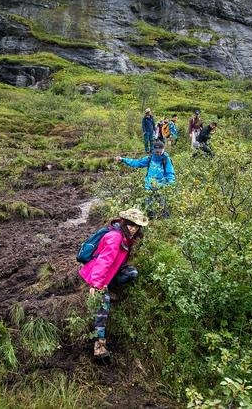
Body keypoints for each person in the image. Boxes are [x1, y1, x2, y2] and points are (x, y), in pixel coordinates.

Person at [79, 208, 149, 358]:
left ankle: (110, 288)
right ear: (124, 222)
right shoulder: (115, 237)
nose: (133, 228)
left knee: (132, 273)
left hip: (110, 273)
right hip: (96, 274)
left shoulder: (126, 237)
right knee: (104, 303)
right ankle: (99, 343)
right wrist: (96, 285)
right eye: (130, 224)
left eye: (136, 226)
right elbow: (103, 262)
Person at [116, 140, 175, 218]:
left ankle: (165, 223)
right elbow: (137, 163)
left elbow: (170, 173)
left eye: (160, 151)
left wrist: (170, 185)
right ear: (153, 150)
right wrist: (123, 159)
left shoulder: (166, 159)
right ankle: (151, 222)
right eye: (157, 152)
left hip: (161, 187)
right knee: (149, 208)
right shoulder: (150, 158)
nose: (159, 153)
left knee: (163, 206)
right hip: (149, 187)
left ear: (163, 149)